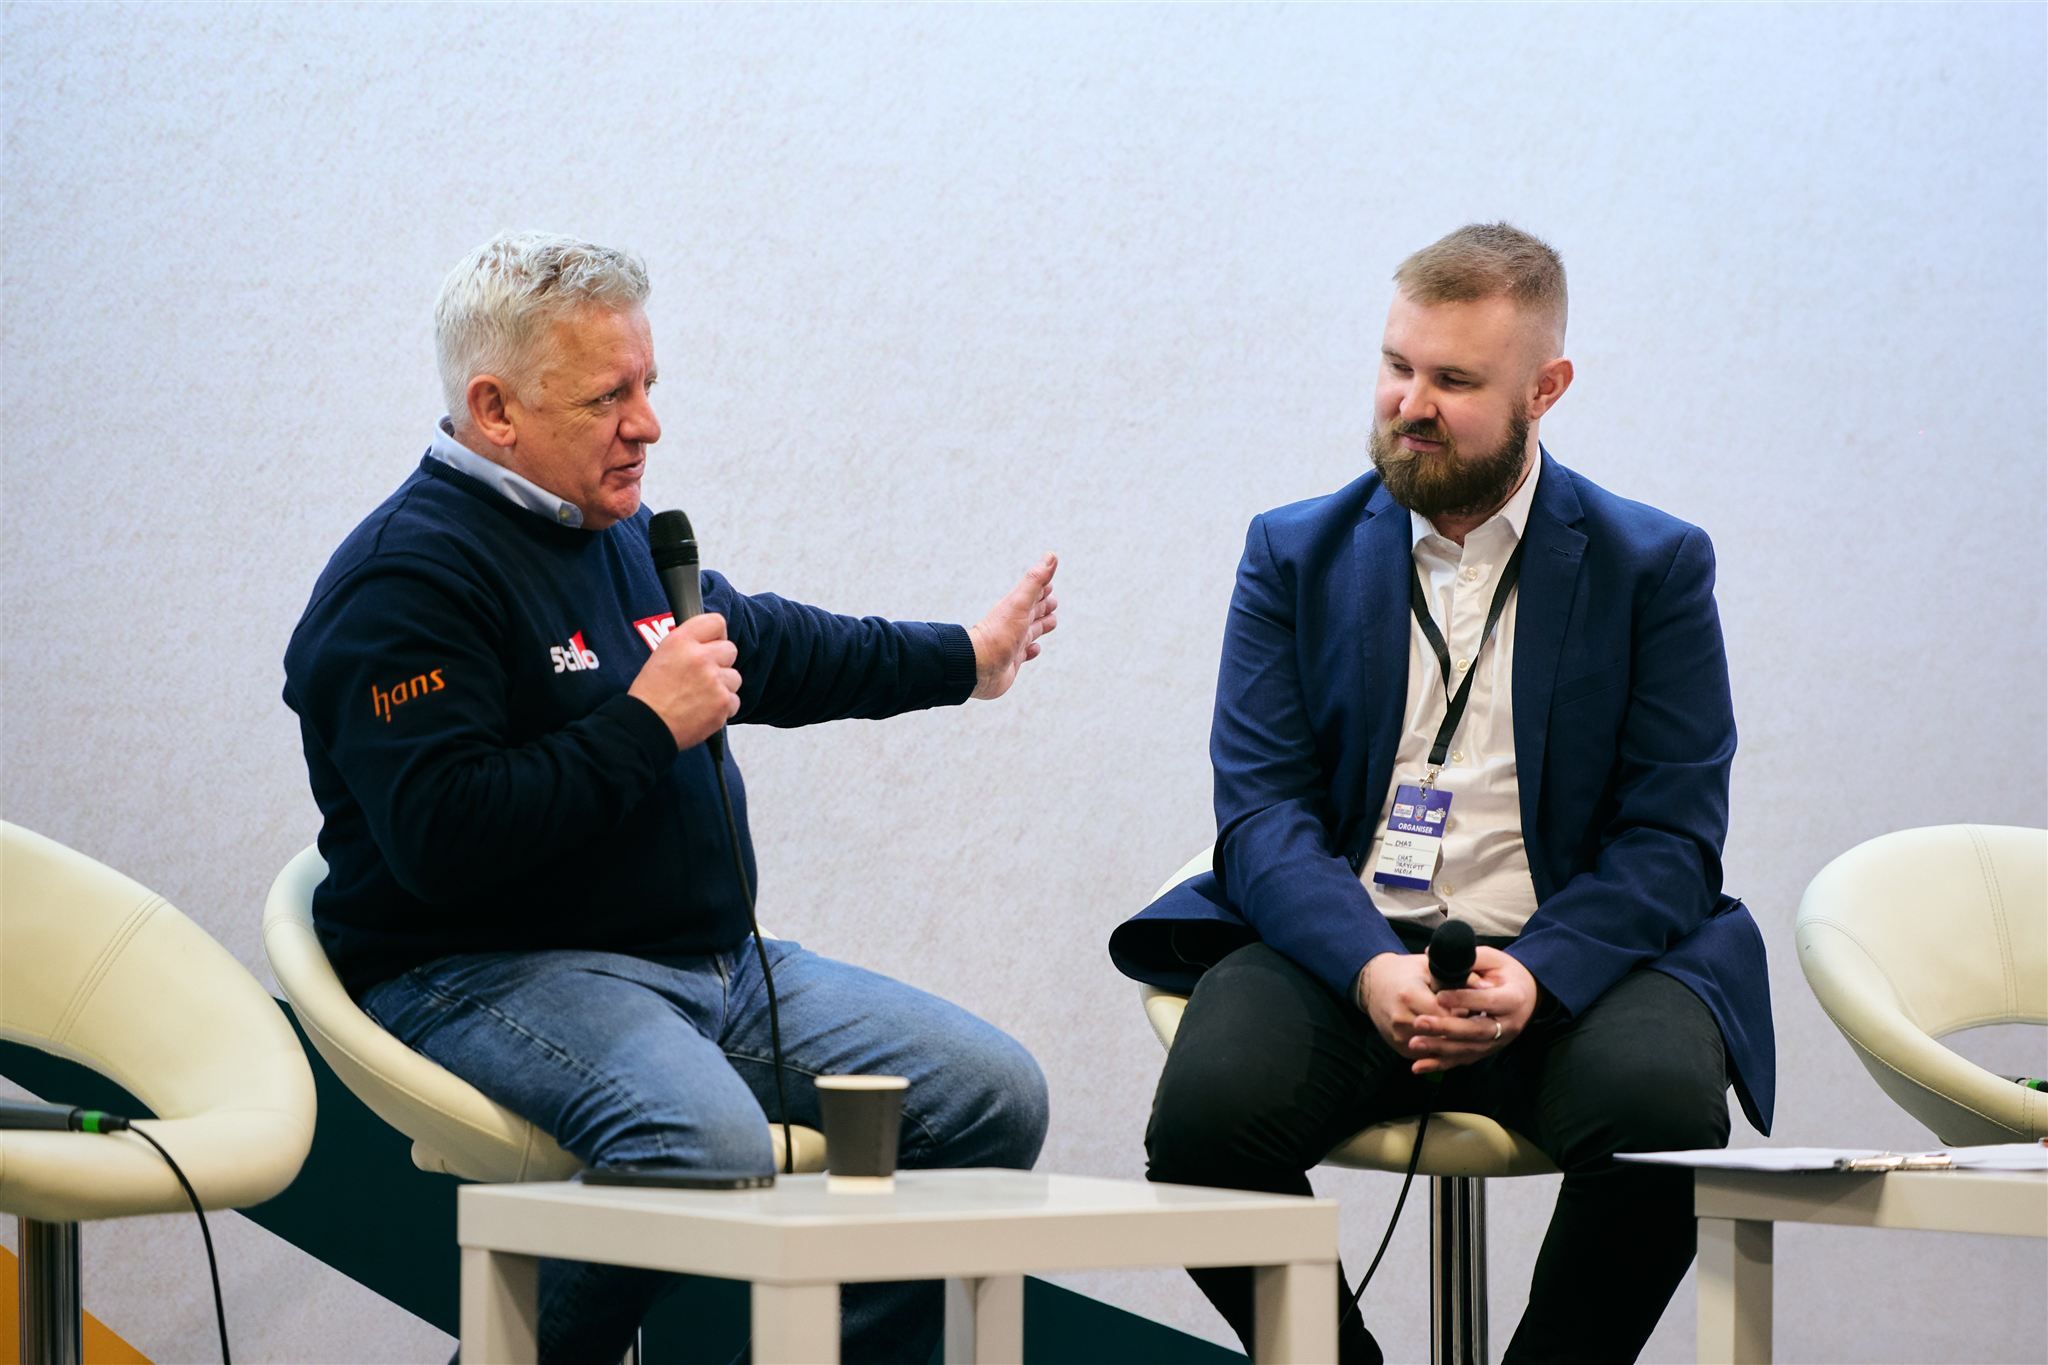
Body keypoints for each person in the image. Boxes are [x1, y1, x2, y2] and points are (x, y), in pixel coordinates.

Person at [283, 231, 1056, 1365]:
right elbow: (441, 840)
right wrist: (646, 723)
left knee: (990, 1098)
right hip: (484, 969)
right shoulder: (406, 578)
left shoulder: (618, 534)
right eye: (609, 396)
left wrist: (965, 658)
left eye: (647, 386)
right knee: (698, 1143)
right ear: (495, 410)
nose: (646, 423)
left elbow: (773, 648)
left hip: (712, 970)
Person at [1110, 223, 1774, 1363]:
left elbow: (1670, 836)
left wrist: (1539, 977)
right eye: (1395, 367)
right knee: (1204, 1127)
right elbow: (1261, 815)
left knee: (1667, 1127)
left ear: (1544, 389)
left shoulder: (1651, 565)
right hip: (1346, 951)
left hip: (1570, 961)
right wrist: (1369, 967)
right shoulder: (1291, 553)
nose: (1408, 404)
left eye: (1454, 381)